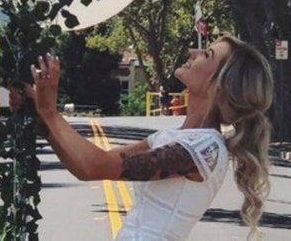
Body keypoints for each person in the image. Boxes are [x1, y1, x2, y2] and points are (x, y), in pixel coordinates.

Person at [26, 36, 273, 240]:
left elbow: (95, 166)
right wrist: (42, 116)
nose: (192, 51)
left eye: (206, 54)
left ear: (219, 85)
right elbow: (84, 165)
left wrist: (50, 112)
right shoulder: (174, 137)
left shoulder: (203, 148)